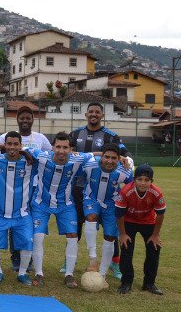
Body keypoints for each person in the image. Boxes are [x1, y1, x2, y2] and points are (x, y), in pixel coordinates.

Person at [69, 101, 133, 279]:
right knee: (77, 224)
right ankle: (70, 261)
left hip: (106, 190)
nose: (94, 114)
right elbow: (67, 154)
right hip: (79, 188)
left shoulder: (111, 136)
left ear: (102, 115)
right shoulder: (75, 134)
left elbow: (125, 154)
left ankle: (115, 262)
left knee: (110, 228)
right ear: (86, 114)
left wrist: (127, 160)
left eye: (97, 112)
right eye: (91, 112)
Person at [26, 132, 93, 288]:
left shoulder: (78, 159)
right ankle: (39, 273)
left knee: (72, 235)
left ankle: (69, 274)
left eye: (65, 147)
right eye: (58, 147)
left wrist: (123, 159)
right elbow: (21, 148)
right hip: (41, 203)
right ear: (52, 147)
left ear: (71, 149)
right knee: (38, 236)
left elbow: (95, 157)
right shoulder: (42, 156)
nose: (61, 151)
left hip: (65, 204)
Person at [0, 105, 51, 271]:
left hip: (34, 186)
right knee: (12, 215)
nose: (25, 120)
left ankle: (28, 257)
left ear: (32, 119)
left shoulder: (40, 138)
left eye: (28, 118)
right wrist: (23, 153)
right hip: (14, 183)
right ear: (17, 119)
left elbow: (49, 156)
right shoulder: (7, 136)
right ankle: (15, 256)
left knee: (27, 221)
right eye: (22, 118)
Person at [0, 131, 34, 286]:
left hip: (22, 213)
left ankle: (23, 273)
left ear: (21, 145)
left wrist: (26, 152)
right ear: (4, 145)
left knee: (26, 241)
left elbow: (47, 154)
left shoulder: (30, 162)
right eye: (9, 144)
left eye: (16, 144)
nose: (12, 147)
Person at [82, 144, 133, 282]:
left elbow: (132, 187)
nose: (109, 161)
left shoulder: (125, 170)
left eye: (114, 158)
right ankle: (93, 260)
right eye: (107, 157)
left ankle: (103, 274)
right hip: (91, 198)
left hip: (112, 204)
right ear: (102, 156)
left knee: (110, 237)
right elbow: (76, 156)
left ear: (118, 159)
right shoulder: (89, 164)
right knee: (91, 216)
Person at [115, 165, 166, 295]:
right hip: (129, 222)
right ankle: (126, 283)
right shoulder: (126, 191)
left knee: (154, 248)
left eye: (147, 180)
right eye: (140, 179)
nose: (143, 183)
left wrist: (155, 235)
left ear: (151, 181)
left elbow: (160, 215)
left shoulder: (156, 193)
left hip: (148, 222)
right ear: (134, 179)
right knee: (126, 249)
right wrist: (123, 234)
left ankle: (149, 283)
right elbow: (119, 214)